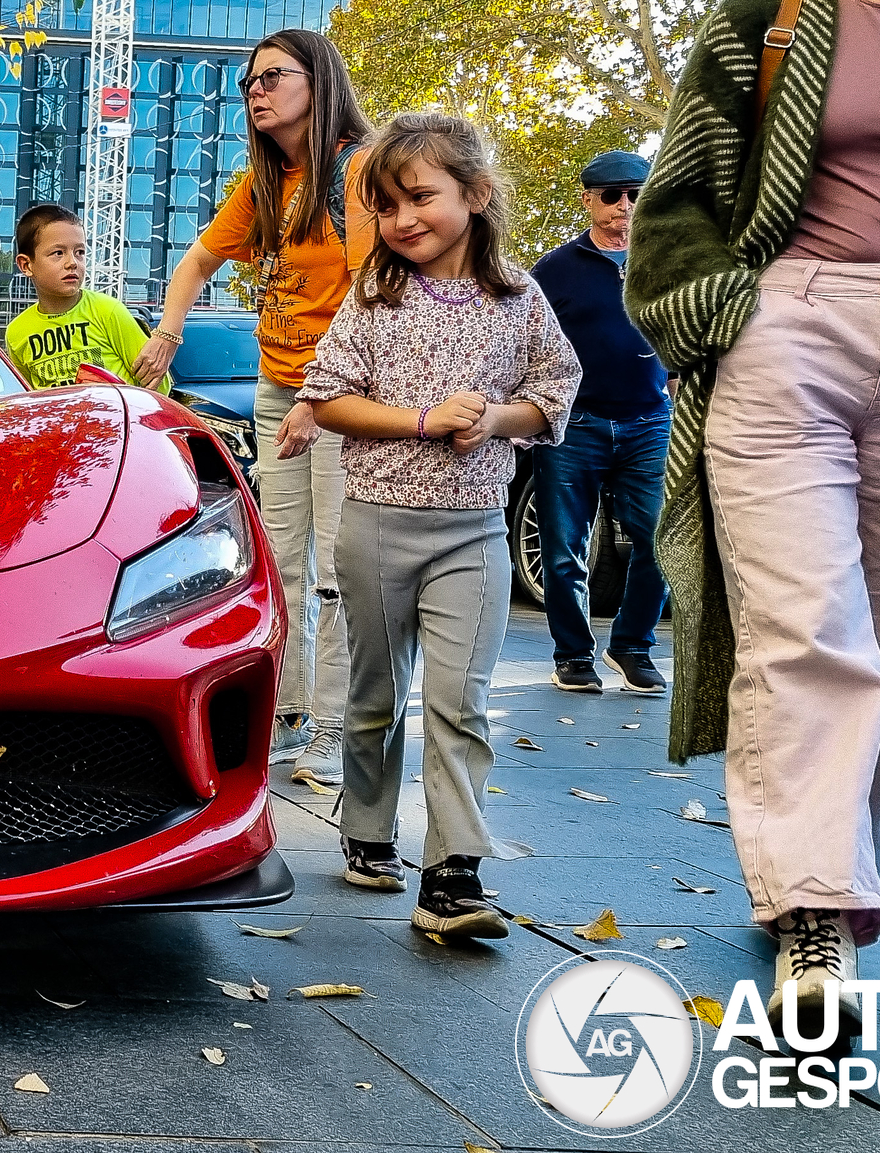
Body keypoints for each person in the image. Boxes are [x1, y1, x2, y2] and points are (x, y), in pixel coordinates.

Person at [629, 0, 880, 1033]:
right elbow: (681, 186)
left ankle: (823, 873)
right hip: (790, 330)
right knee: (808, 636)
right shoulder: (771, 12)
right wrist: (722, 307)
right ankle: (813, 915)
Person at [300, 112, 580, 939]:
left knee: (461, 701)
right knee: (374, 697)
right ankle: (368, 827)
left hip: (476, 531)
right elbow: (330, 396)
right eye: (386, 206)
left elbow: (555, 394)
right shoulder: (375, 293)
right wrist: (420, 419)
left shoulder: (520, 296)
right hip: (377, 525)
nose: (402, 219)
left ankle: (452, 876)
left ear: (477, 195)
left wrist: (496, 421)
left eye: (420, 197)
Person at [131, 28, 372, 785]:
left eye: (273, 76)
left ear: (319, 80)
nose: (256, 91)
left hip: (340, 401)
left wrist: (320, 395)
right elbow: (199, 258)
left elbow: (371, 297)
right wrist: (167, 334)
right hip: (277, 392)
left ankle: (339, 727)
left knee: (337, 569)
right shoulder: (268, 181)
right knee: (284, 565)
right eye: (249, 83)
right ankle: (293, 716)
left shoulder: (356, 171)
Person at [530, 151, 667, 696]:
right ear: (588, 199)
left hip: (651, 422)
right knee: (564, 551)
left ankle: (631, 646)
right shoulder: (555, 270)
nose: (624, 205)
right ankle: (574, 655)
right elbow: (526, 344)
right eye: (611, 194)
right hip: (575, 425)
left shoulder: (667, 262)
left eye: (635, 193)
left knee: (661, 541)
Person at [3, 204, 167, 391]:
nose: (72, 262)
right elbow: (27, 398)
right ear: (26, 265)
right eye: (58, 253)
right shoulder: (17, 332)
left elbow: (159, 384)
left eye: (79, 252)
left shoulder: (108, 311)